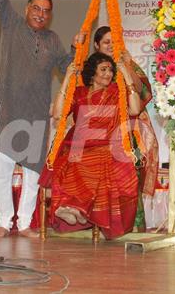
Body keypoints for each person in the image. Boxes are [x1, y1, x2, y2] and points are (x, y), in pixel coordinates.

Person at [0, 0, 76, 238]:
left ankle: (23, 224)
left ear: (50, 17)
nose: (40, 14)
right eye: (36, 8)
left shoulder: (53, 40)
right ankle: (1, 223)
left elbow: (68, 67)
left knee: (34, 172)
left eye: (46, 11)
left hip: (36, 112)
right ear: (27, 10)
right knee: (1, 170)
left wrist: (77, 48)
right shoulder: (12, 25)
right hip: (6, 106)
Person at [39, 52, 142, 239]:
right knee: (73, 161)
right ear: (92, 73)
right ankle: (71, 208)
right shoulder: (78, 93)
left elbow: (135, 109)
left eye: (111, 70)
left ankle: (73, 207)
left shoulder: (116, 92)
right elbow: (57, 114)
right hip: (77, 143)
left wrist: (126, 76)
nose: (108, 74)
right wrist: (67, 79)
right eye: (103, 69)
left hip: (107, 144)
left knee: (97, 163)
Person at [92, 26, 158, 231]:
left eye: (115, 41)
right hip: (97, 130)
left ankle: (132, 227)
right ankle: (98, 225)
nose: (111, 46)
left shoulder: (127, 63)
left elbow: (143, 93)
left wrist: (126, 67)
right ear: (96, 45)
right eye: (106, 42)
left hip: (128, 129)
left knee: (130, 175)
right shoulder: (90, 68)